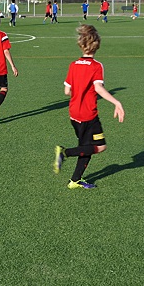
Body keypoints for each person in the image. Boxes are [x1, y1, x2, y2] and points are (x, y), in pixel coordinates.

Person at [53, 24, 125, 189]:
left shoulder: (73, 64)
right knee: (100, 146)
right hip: (88, 114)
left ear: (81, 44)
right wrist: (117, 102)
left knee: (86, 147)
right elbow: (98, 88)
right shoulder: (96, 66)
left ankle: (75, 180)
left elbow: (66, 91)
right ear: (97, 45)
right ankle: (65, 152)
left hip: (74, 113)